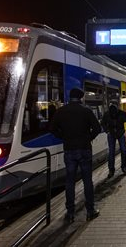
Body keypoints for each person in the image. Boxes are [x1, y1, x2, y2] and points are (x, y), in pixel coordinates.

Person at [50, 88, 101, 223]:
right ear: (81, 98)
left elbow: (52, 129)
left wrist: (64, 137)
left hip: (69, 150)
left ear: (70, 97)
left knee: (70, 182)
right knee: (87, 181)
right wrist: (88, 138)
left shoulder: (61, 111)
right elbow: (97, 128)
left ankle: (70, 213)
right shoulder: (86, 111)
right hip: (84, 149)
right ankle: (90, 211)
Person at [101, 103, 126, 178]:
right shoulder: (107, 114)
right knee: (112, 152)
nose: (113, 116)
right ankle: (112, 170)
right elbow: (102, 123)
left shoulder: (121, 113)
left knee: (122, 150)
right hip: (112, 134)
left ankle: (123, 167)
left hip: (120, 133)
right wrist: (107, 131)